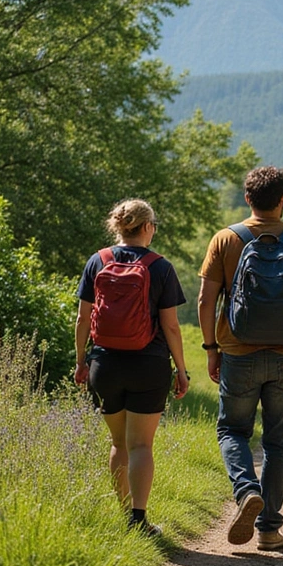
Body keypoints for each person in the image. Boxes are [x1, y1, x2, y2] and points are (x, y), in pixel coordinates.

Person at [198, 166, 283, 551]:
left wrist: (211, 348)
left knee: (232, 432)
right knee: (277, 443)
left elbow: (206, 300)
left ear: (248, 198)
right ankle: (269, 529)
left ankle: (246, 491)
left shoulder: (225, 240)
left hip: (237, 353)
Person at [74, 198, 189, 535]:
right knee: (141, 446)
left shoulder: (98, 261)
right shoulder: (161, 267)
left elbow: (83, 318)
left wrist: (82, 361)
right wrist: (181, 370)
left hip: (105, 364)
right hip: (149, 365)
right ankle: (139, 520)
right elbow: (170, 326)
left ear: (119, 227)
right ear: (147, 227)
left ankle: (125, 515)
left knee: (118, 443)